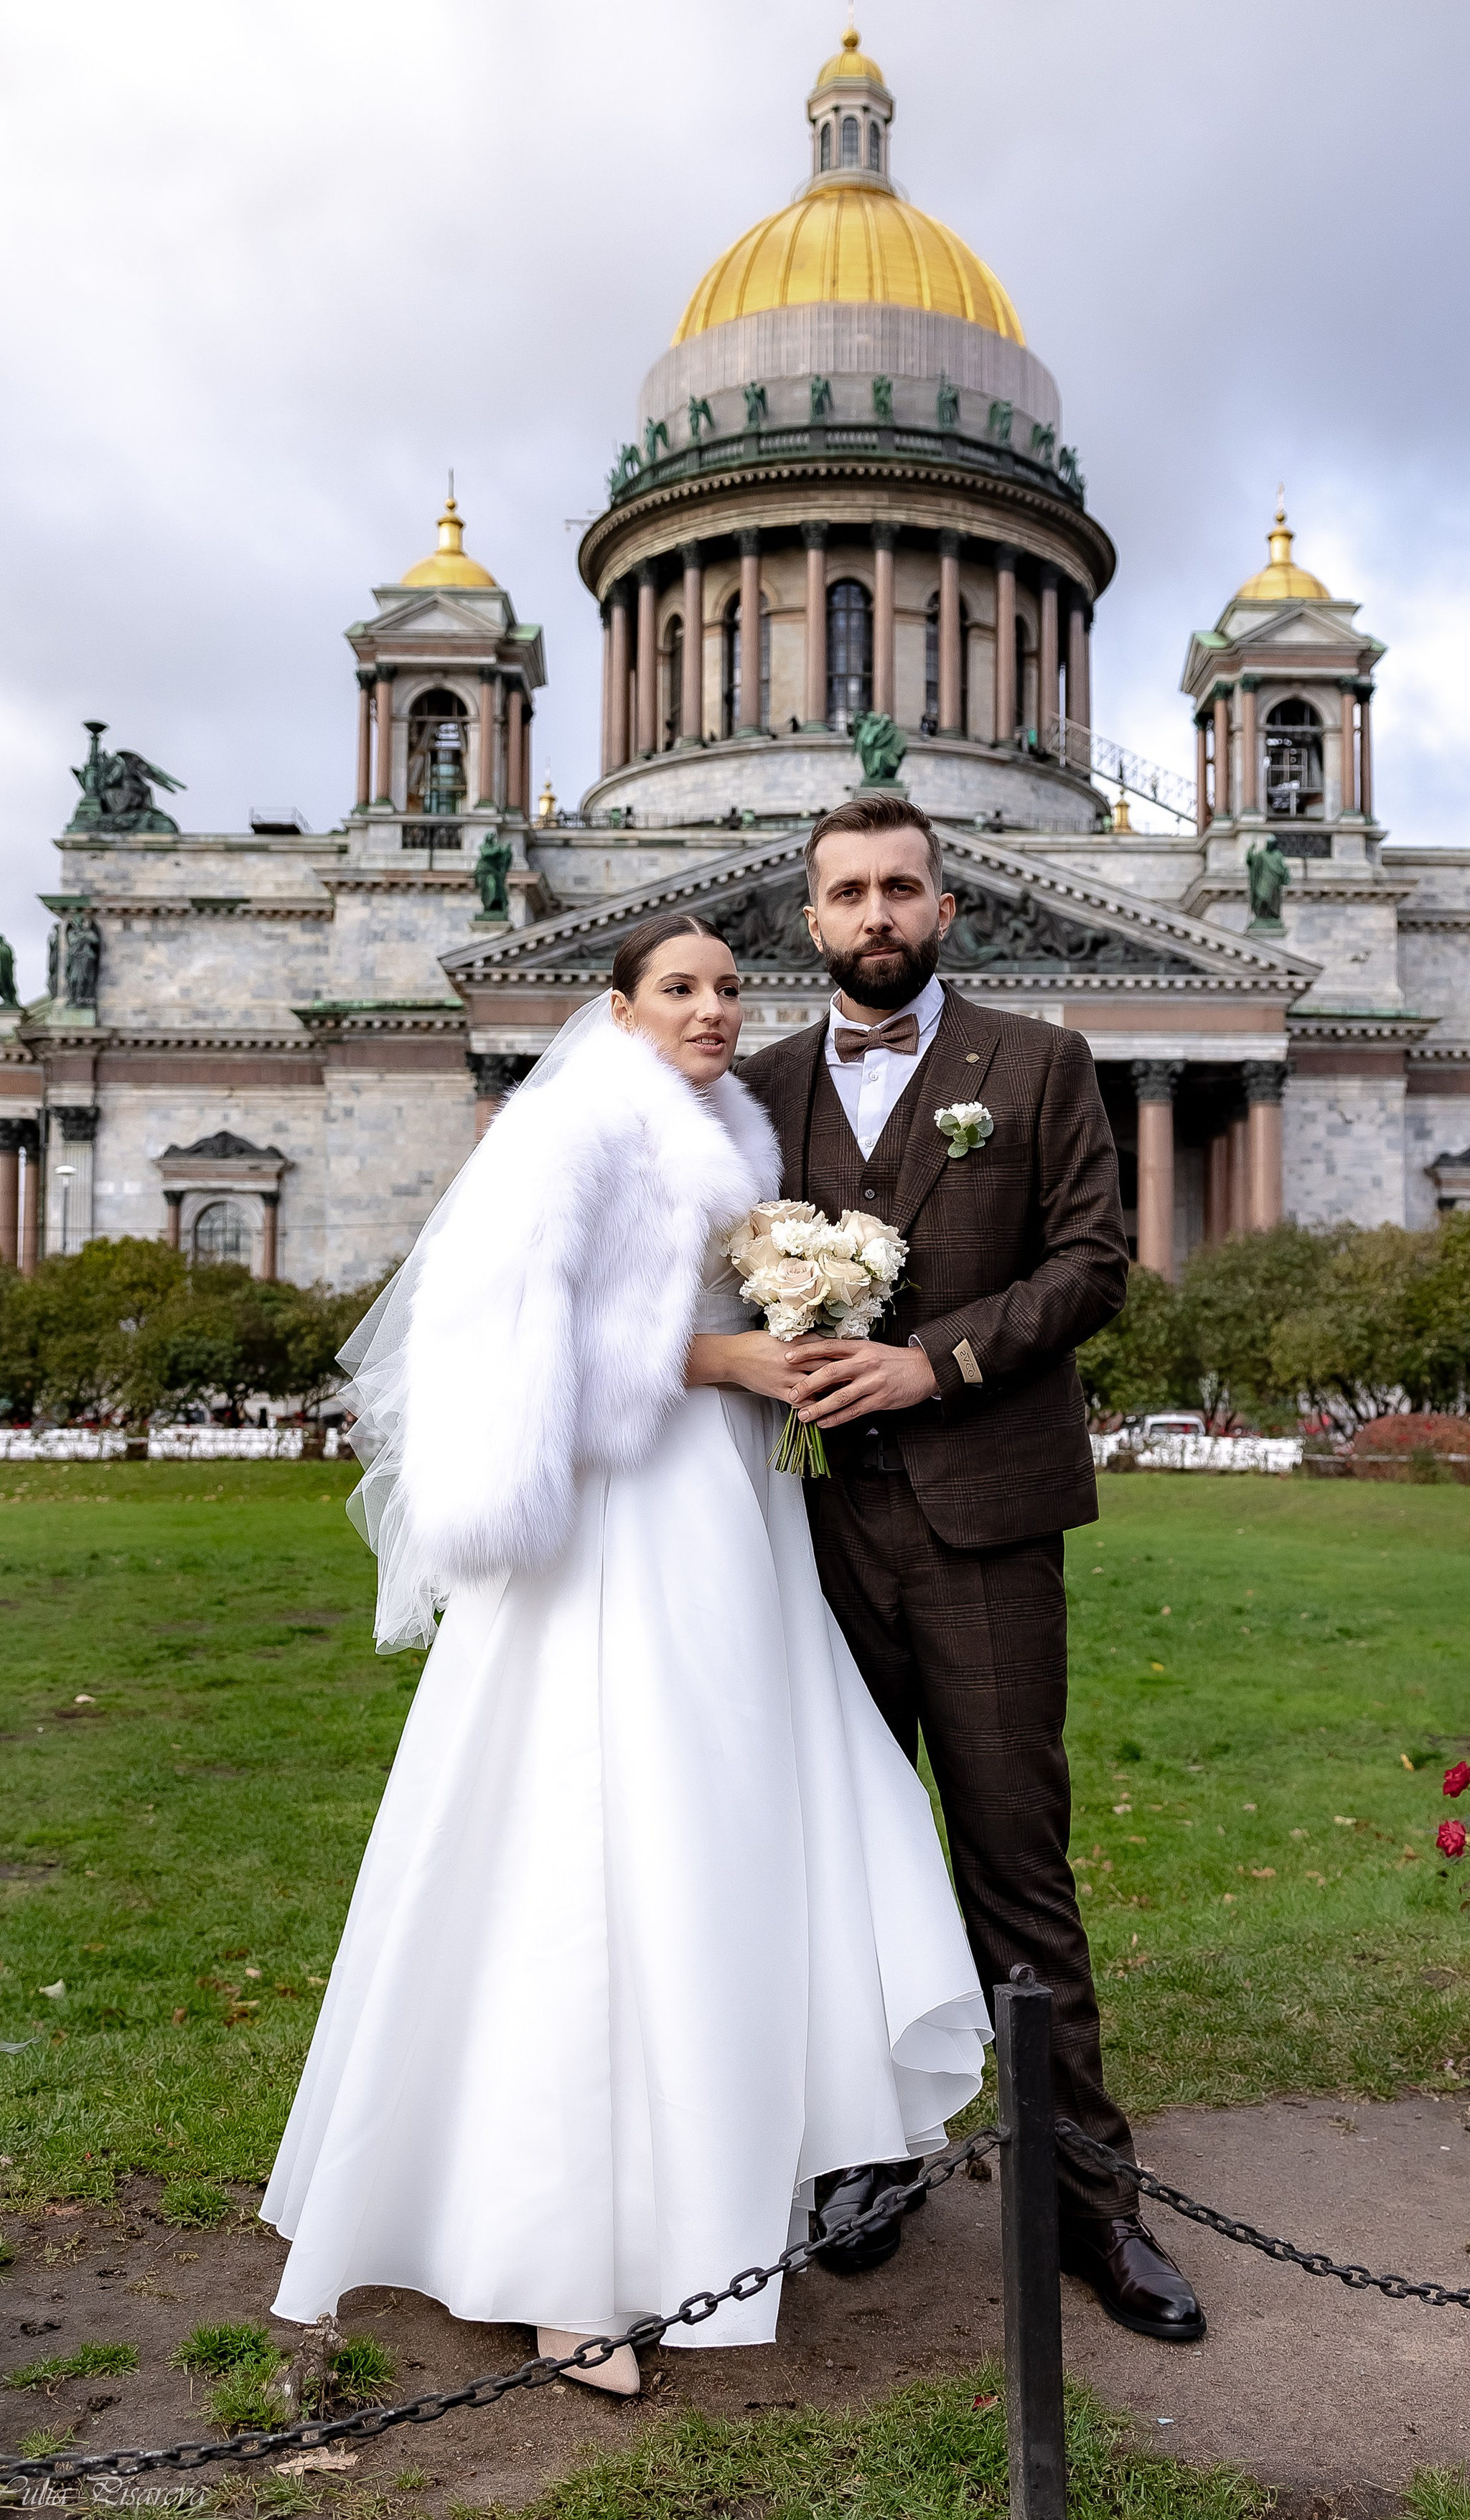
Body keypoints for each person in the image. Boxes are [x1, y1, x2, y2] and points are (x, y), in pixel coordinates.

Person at [261, 912, 988, 2394]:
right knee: (591, 1852)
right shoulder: (581, 1123)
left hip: (724, 1515)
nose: (715, 1008)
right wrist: (728, 1354)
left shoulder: (712, 1117)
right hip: (623, 1524)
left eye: (728, 986)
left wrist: (792, 1318)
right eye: (680, 988)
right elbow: (519, 1335)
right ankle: (555, 2264)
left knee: (713, 1836)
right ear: (620, 1004)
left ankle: (701, 2181)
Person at [745, 792, 1206, 2345]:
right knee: (839, 1866)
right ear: (807, 921)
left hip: (985, 1522)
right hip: (804, 1528)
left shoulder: (1038, 1061)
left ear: (948, 908)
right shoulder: (748, 1090)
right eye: (845, 894)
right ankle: (867, 2166)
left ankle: (1095, 2210)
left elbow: (1090, 1263)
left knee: (1015, 1868)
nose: (873, 915)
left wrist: (926, 1366)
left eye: (900, 889)